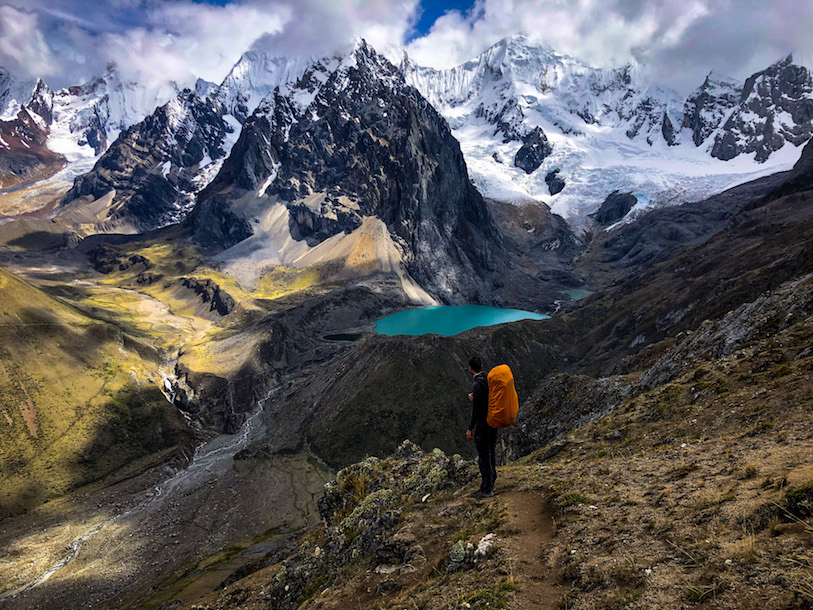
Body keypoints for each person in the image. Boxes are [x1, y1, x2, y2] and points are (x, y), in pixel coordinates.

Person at [466, 356, 497, 498]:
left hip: (483, 425)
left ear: (470, 369)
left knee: (484, 456)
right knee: (491, 453)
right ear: (482, 366)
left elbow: (477, 410)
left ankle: (486, 488)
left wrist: (470, 427)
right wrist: (475, 396)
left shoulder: (477, 385)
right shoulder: (488, 379)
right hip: (493, 423)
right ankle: (492, 481)